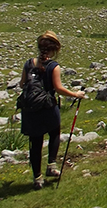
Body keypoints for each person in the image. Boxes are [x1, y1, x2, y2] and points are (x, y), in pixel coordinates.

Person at [19, 31, 86, 190]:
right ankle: (51, 165)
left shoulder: (29, 63)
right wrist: (76, 94)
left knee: (35, 142)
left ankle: (37, 178)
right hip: (48, 107)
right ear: (54, 49)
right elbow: (58, 88)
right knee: (54, 132)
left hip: (30, 109)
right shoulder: (53, 66)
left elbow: (22, 84)